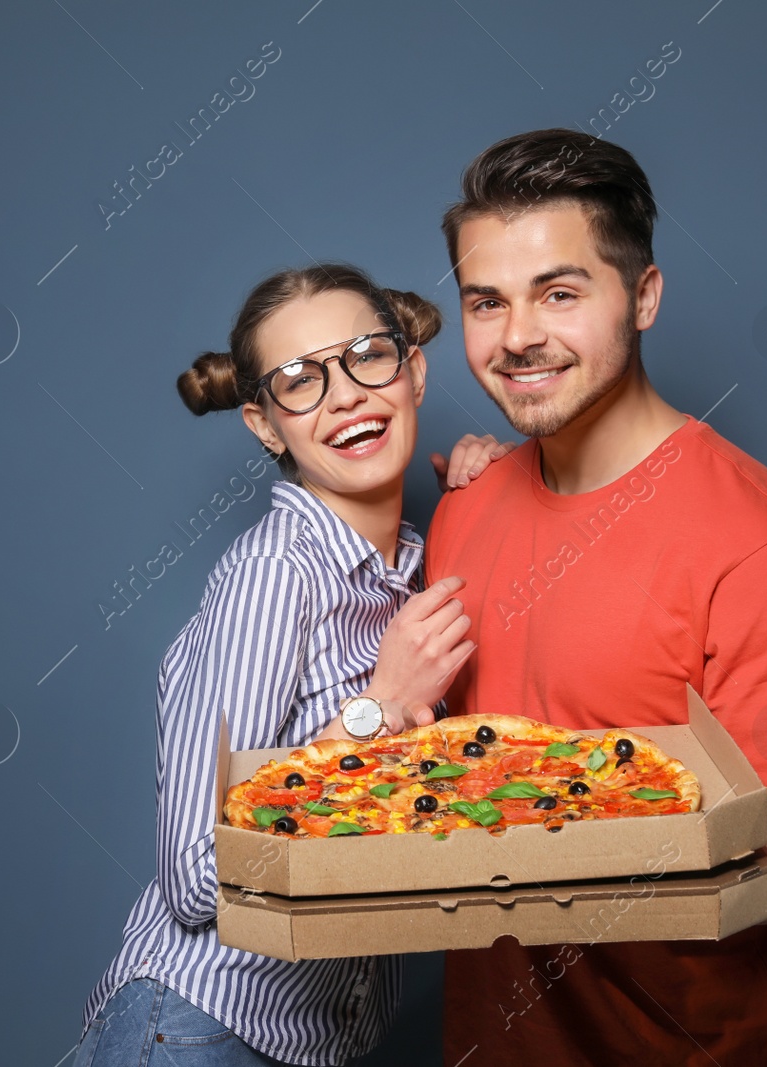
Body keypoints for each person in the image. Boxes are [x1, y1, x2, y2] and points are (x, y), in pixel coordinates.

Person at [423, 129, 767, 1065]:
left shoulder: (763, 548)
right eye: (486, 301)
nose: (517, 336)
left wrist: (591, 831)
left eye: (559, 292)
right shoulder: (464, 514)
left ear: (644, 295)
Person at [74, 263, 505, 1066]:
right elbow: (196, 874)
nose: (344, 395)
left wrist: (495, 491)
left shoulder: (409, 571)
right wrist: (379, 706)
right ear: (267, 426)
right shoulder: (276, 572)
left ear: (412, 374)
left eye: (367, 357)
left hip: (311, 1042)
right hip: (198, 1027)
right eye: (300, 381)